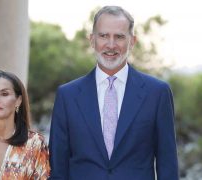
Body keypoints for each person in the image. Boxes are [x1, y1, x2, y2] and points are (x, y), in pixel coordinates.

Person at [49, 5, 178, 180]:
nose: (111, 45)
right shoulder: (67, 96)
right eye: (103, 36)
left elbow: (167, 164)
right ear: (92, 40)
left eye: (119, 37)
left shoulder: (157, 93)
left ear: (132, 41)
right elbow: (58, 167)